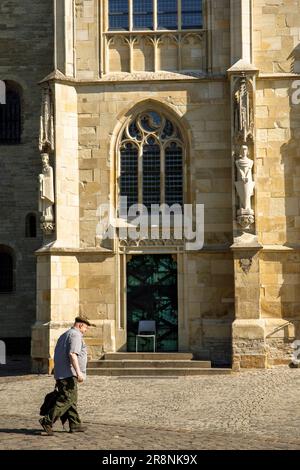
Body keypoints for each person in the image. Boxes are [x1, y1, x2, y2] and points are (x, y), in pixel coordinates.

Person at [39, 315, 95, 436]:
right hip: (69, 374)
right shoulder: (75, 335)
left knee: (71, 400)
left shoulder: (65, 334)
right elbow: (72, 354)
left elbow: (59, 355)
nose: (86, 331)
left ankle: (75, 424)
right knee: (67, 399)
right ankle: (47, 421)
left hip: (63, 373)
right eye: (86, 328)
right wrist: (79, 372)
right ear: (80, 325)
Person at [235, 144, 255, 213]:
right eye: (242, 150)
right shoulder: (237, 161)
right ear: (241, 151)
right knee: (241, 191)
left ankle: (247, 207)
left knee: (248, 191)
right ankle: (242, 207)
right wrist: (243, 176)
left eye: (245, 150)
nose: (244, 151)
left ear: (247, 151)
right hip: (240, 178)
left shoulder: (251, 161)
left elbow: (249, 169)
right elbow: (239, 169)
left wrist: (245, 176)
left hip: (248, 178)